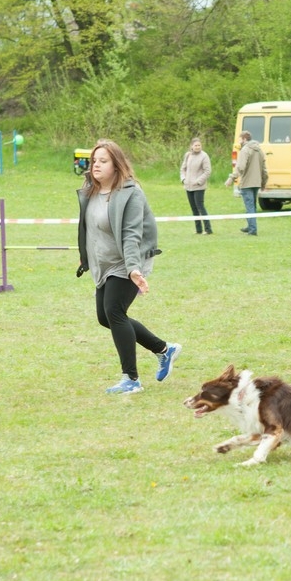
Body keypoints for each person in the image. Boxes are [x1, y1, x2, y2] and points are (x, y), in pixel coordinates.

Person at [76, 139, 181, 395]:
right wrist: (85, 257)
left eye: (103, 161)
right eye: (94, 161)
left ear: (116, 165)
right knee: (105, 317)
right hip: (104, 263)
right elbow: (90, 229)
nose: (96, 165)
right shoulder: (90, 190)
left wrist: (134, 269)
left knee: (114, 310)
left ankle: (131, 379)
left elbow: (131, 235)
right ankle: (164, 349)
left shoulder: (131, 193)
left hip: (128, 260)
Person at [226, 130, 267, 236]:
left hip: (247, 183)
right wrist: (263, 182)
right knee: (252, 205)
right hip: (256, 183)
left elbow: (240, 167)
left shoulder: (245, 150)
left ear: (244, 139)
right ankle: (250, 226)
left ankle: (252, 229)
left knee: (249, 206)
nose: (239, 141)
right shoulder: (259, 150)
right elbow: (264, 169)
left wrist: (231, 178)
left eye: (240, 139)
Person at [180, 137, 213, 235]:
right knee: (193, 208)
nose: (197, 147)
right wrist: (183, 179)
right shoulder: (188, 155)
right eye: (196, 145)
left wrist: (198, 181)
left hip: (199, 187)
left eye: (199, 145)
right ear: (191, 146)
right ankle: (198, 229)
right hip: (188, 186)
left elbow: (207, 171)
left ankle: (208, 229)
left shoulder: (204, 156)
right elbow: (183, 169)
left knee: (200, 207)